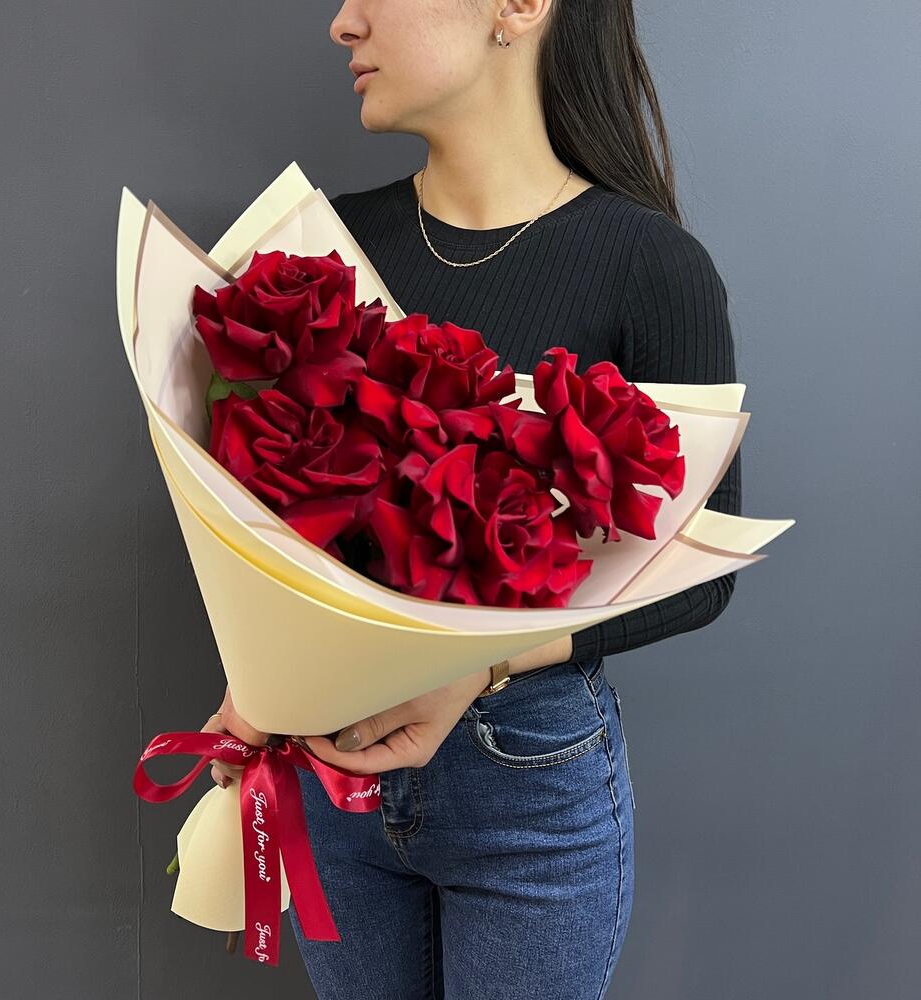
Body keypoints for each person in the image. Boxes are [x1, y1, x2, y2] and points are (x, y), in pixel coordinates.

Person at [202, 1, 742, 996]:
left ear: (519, 5)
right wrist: (267, 673)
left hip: (524, 789)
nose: (343, 23)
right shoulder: (323, 254)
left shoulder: (651, 266)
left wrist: (471, 664)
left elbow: (700, 573)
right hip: (334, 778)